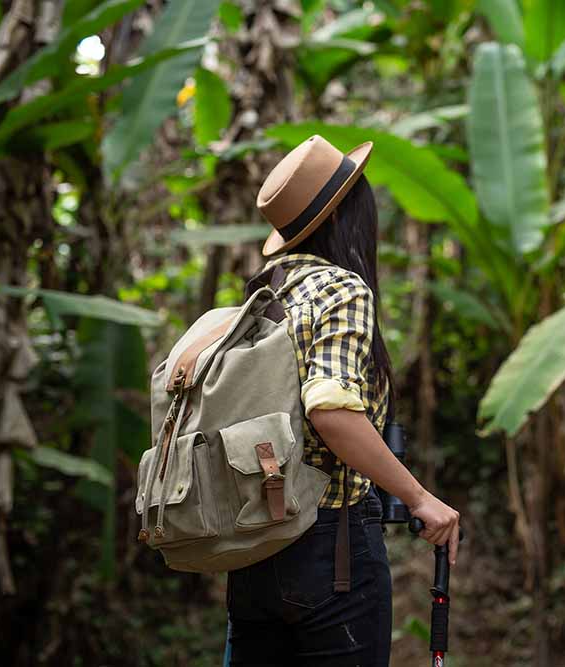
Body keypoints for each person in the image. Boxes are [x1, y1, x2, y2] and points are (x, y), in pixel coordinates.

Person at [225, 135, 460, 666]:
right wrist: (421, 499)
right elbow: (330, 409)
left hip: (254, 545)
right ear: (346, 217)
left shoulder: (266, 289)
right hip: (330, 548)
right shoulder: (340, 289)